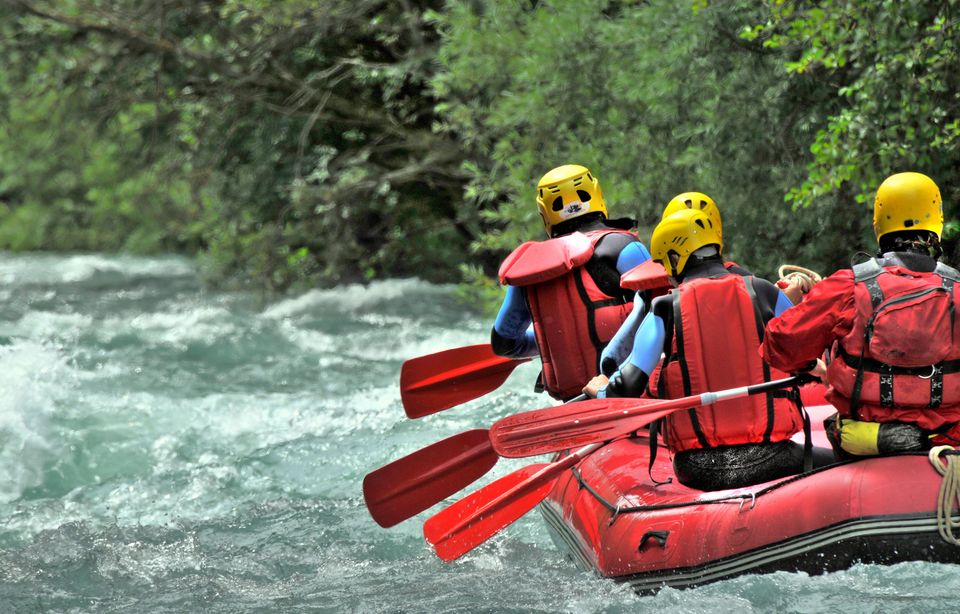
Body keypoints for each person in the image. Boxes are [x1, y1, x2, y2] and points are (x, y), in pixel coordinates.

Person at [585, 208, 821, 491]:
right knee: (845, 458)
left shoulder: (664, 308)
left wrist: (600, 391)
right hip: (773, 456)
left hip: (698, 467)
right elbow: (810, 349)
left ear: (675, 259)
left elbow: (626, 389)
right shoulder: (764, 292)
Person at [763, 171, 960, 456]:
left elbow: (780, 346)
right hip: (947, 442)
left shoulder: (848, 286)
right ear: (937, 222)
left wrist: (810, 358)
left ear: (879, 224)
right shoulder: (957, 289)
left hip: (868, 440)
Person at [491, 164, 651, 400]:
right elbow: (663, 311)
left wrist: (552, 338)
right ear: (596, 196)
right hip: (632, 391)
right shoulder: (623, 246)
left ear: (545, 214)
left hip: (574, 402)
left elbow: (504, 344)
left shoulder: (528, 271)